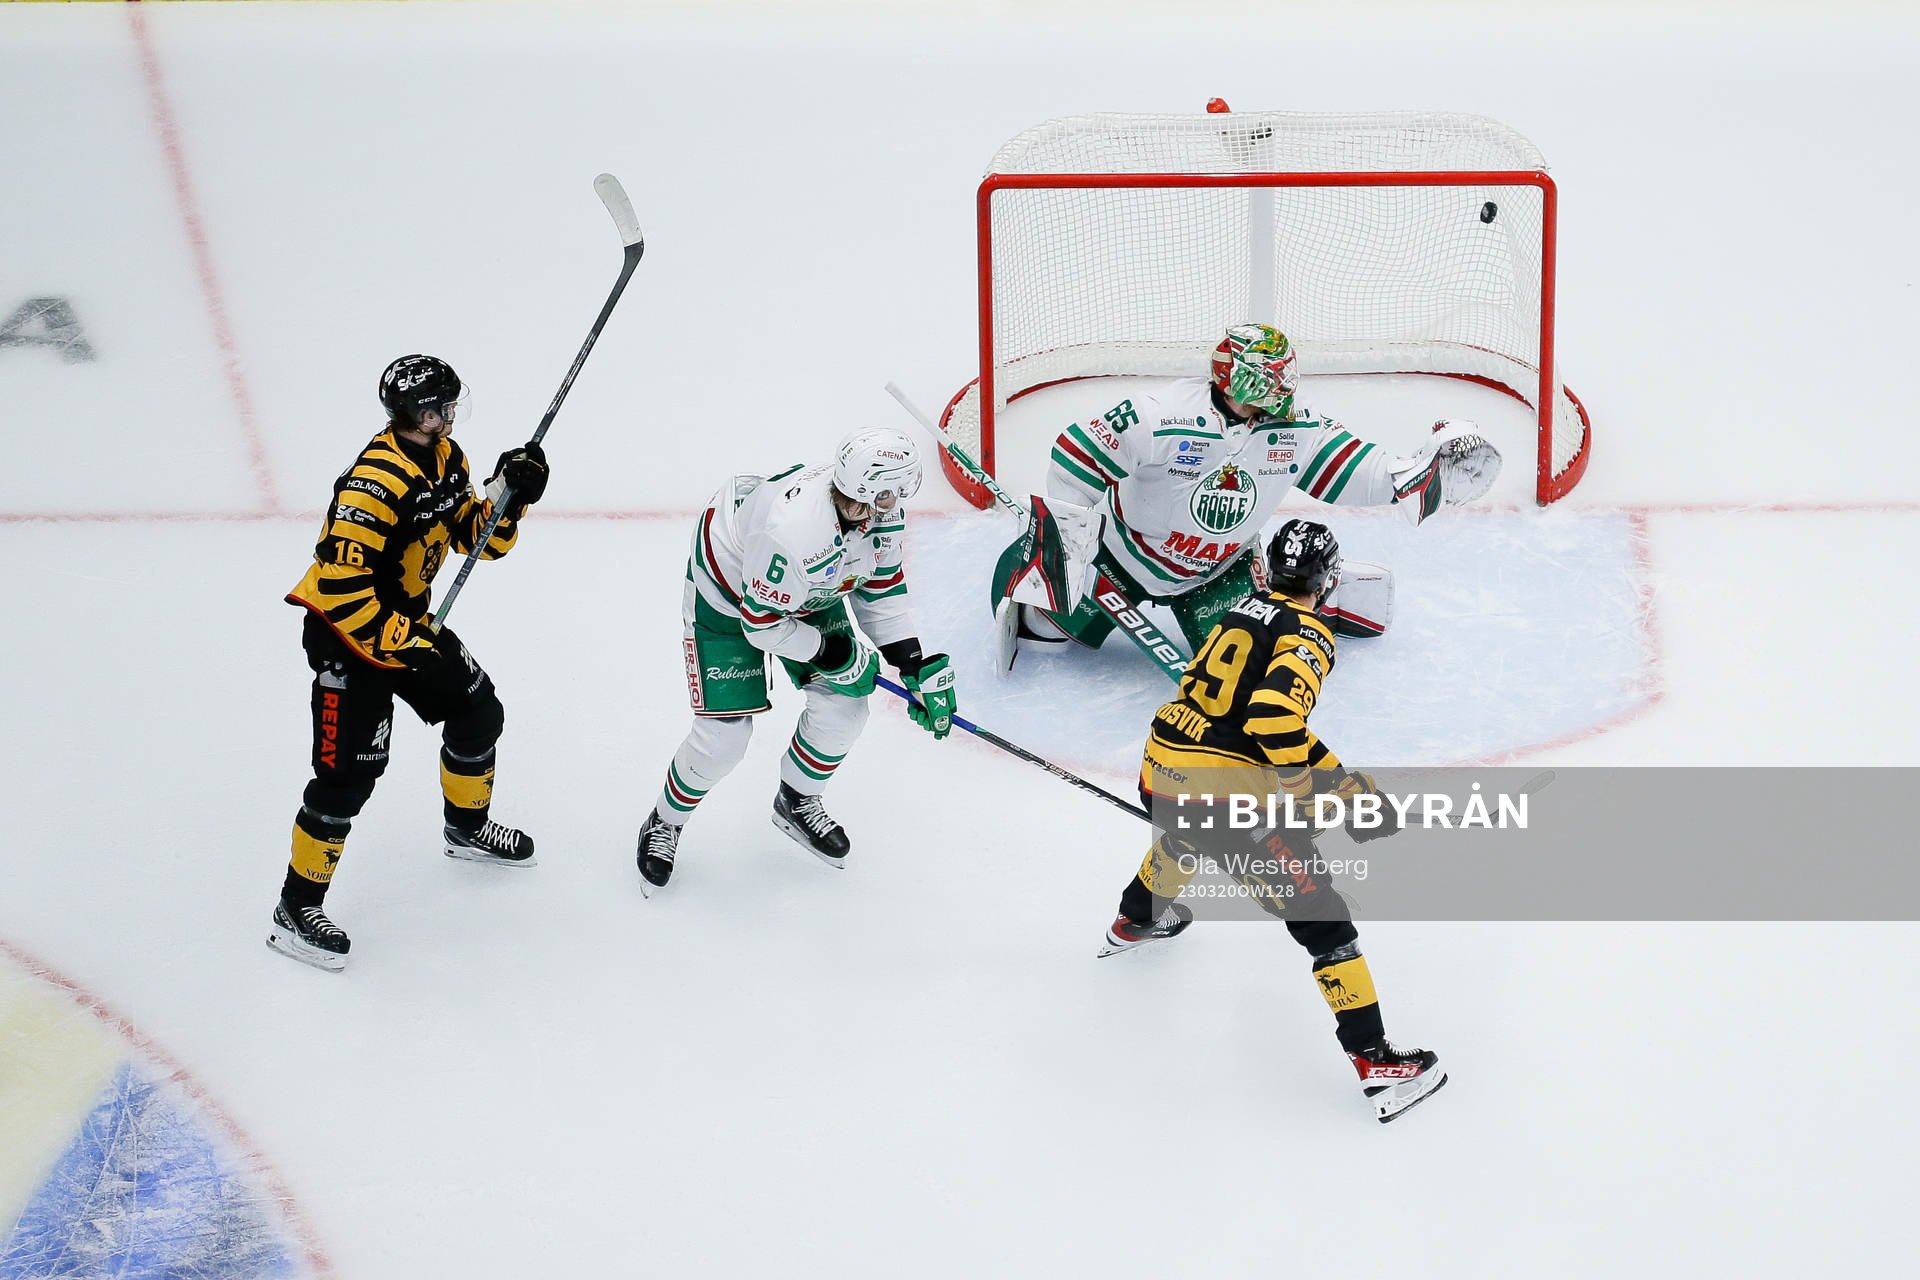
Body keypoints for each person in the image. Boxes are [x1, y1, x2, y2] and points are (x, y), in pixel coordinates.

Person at [1098, 516, 1446, 1123]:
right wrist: (1306, 797)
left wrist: (1337, 779)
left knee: (1188, 832)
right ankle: (1376, 1062)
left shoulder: (1238, 613)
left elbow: (1217, 701)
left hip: (1163, 768)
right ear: (1327, 578)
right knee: (1326, 925)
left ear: (1266, 569)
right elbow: (1274, 721)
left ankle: (1135, 920)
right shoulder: (1309, 635)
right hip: (1230, 800)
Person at [990, 322, 1499, 666]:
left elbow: (1348, 468)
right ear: (1234, 379)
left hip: (1218, 571)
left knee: (1243, 665)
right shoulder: (1161, 414)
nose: (1283, 391)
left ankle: (1315, 590)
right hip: (1119, 560)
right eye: (1269, 380)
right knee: (1049, 630)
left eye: (1286, 378)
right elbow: (1074, 455)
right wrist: (1061, 542)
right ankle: (1039, 583)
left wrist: (1410, 476)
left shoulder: (1296, 426)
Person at [268, 354, 550, 972]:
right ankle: (296, 906)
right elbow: (341, 590)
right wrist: (400, 638)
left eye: (452, 403)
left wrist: (509, 495)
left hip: (406, 632)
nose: (447, 415)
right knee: (347, 779)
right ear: (406, 414)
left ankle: (466, 828)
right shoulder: (375, 483)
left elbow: (478, 541)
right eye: (436, 407)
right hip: (349, 641)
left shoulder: (450, 459)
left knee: (479, 713)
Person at [636, 427, 957, 894]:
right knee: (722, 738)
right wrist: (831, 652)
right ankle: (664, 822)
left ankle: (797, 800)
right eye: (869, 501)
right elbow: (761, 625)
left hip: (808, 585)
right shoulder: (795, 531)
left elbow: (881, 591)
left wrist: (911, 663)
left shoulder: (879, 511)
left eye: (888, 500)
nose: (879, 513)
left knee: (845, 706)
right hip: (729, 595)